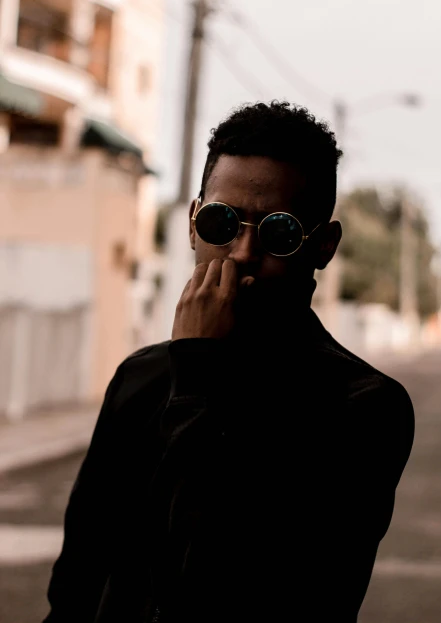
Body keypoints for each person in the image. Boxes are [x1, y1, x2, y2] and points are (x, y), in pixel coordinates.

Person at [43, 101, 414, 623]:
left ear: (323, 246)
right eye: (222, 222)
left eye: (278, 233)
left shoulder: (364, 406)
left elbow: (221, 579)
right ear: (194, 225)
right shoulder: (141, 377)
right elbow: (80, 571)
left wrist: (198, 375)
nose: (241, 251)